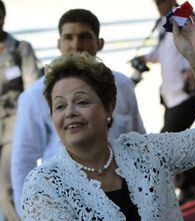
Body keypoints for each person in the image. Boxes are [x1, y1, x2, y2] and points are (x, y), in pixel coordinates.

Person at [21, 13, 195, 220]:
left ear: (108, 107)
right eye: (59, 106)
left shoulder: (146, 152)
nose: (69, 113)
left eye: (82, 101)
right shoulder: (43, 186)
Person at [11, 9, 146, 217]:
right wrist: (29, 214)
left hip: (128, 193)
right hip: (68, 201)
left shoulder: (123, 85)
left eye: (84, 37)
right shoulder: (34, 96)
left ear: (99, 43)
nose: (76, 45)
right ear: (59, 44)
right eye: (68, 38)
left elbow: (139, 141)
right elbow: (22, 162)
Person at [138, 0, 195, 204]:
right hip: (170, 97)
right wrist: (147, 57)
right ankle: (193, 185)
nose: (158, 5)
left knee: (166, 142)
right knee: (173, 142)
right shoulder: (164, 21)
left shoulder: (186, 14)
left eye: (161, 1)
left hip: (187, 94)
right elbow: (165, 53)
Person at [0, 1, 39, 220]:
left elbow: (32, 90)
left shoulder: (20, 49)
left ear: (3, 17)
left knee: (7, 187)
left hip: (15, 125)